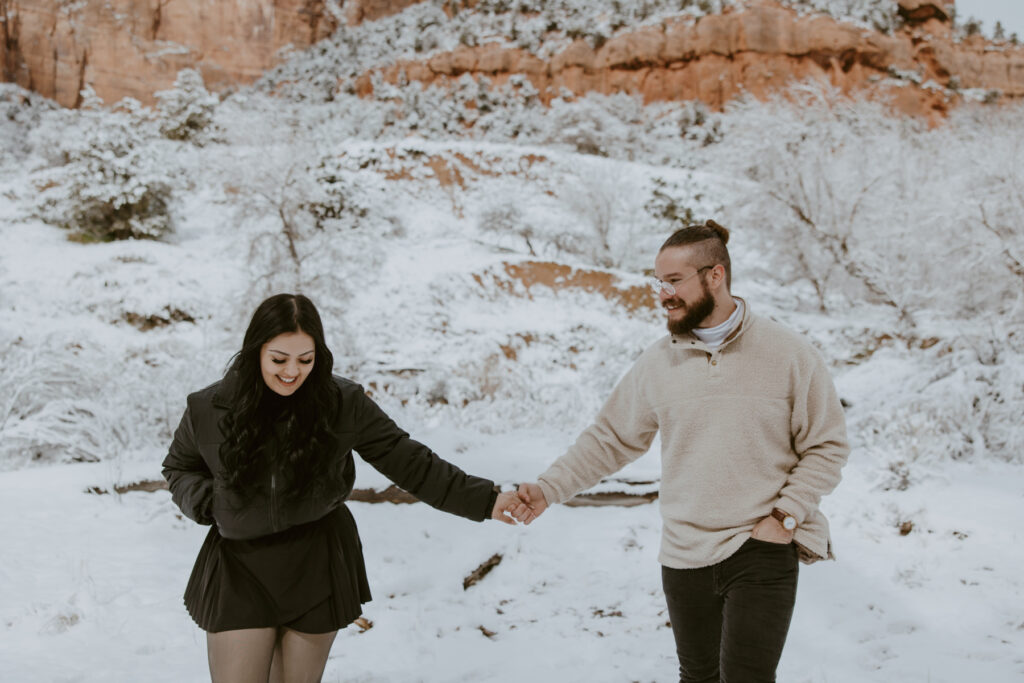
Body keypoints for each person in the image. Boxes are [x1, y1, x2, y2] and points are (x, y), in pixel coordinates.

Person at [511, 221, 850, 682]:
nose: (663, 293)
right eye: (658, 282)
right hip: (683, 553)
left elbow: (827, 445)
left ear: (716, 276)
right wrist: (549, 489)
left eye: (674, 281)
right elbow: (610, 438)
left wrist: (785, 518)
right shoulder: (658, 362)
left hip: (760, 545)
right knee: (697, 678)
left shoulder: (788, 354)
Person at [163, 293, 523, 683]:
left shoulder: (342, 402)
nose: (292, 372)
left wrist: (487, 500)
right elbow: (179, 467)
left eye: (306, 359)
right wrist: (211, 504)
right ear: (255, 352)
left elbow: (408, 460)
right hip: (239, 568)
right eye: (279, 359)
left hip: (316, 563)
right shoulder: (208, 407)